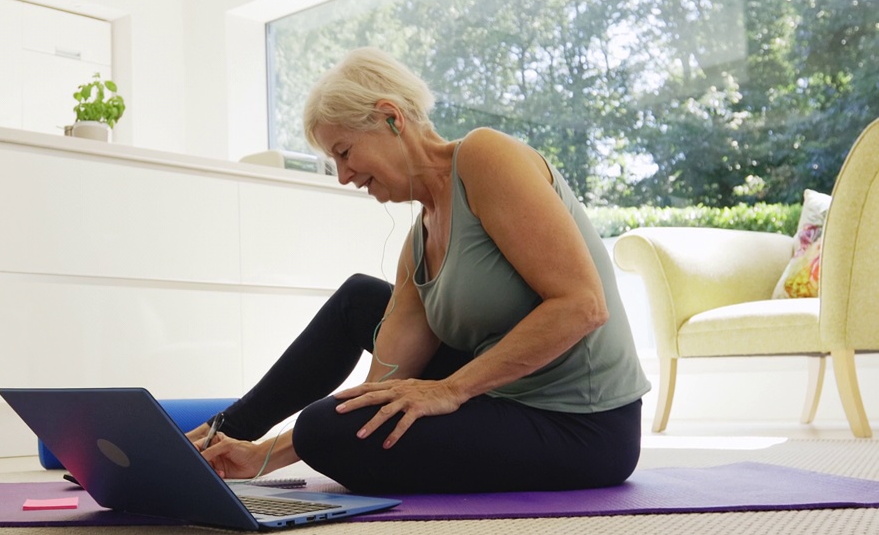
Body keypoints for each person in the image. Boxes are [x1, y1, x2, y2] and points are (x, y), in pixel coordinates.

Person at [186, 47, 650, 495]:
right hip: (504, 399)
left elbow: (583, 306)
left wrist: (450, 389)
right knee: (360, 301)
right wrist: (261, 455)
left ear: (391, 116)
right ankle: (213, 440)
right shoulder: (421, 237)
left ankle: (205, 440)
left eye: (344, 152)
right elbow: (382, 386)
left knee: (324, 430)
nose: (344, 176)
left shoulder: (484, 156)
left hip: (583, 424)